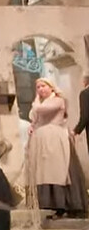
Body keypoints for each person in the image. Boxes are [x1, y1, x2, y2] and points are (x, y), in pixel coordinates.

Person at [28, 78, 86, 217]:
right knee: (45, 172)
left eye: (43, 86)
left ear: (51, 87)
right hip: (42, 139)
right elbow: (34, 116)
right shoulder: (40, 103)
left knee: (59, 171)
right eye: (38, 87)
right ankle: (49, 204)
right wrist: (32, 126)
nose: (40, 89)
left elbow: (41, 110)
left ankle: (66, 204)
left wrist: (36, 101)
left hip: (56, 138)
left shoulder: (58, 101)